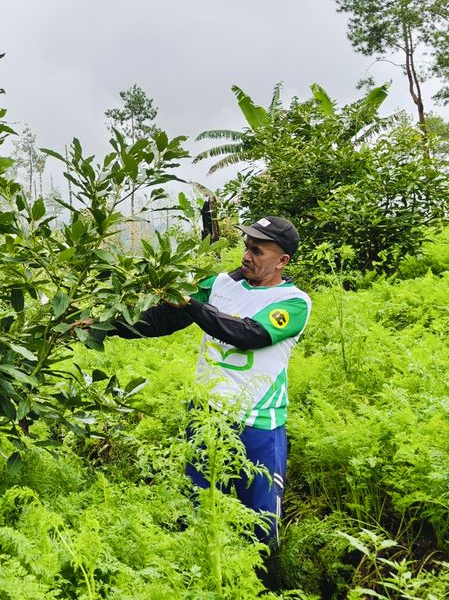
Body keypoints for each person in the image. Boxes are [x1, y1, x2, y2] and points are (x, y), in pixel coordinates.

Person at [110, 215, 311, 548]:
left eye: (258, 251)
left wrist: (191, 304)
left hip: (258, 425)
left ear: (282, 260)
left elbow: (248, 334)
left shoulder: (293, 302)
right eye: (247, 247)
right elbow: (162, 319)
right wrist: (104, 325)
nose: (246, 256)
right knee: (197, 514)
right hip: (205, 417)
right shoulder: (219, 284)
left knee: (260, 528)